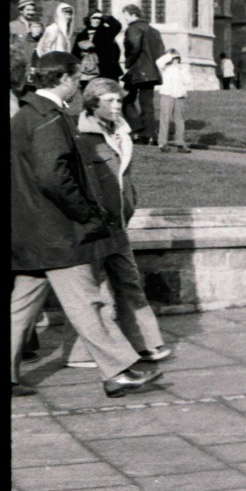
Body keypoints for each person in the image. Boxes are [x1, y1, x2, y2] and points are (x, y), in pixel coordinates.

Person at [11, 51, 162, 398]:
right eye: (77, 78)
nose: (79, 85)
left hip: (32, 231)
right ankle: (118, 370)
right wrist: (86, 214)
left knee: (20, 307)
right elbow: (54, 176)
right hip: (59, 232)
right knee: (87, 302)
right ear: (64, 79)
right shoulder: (48, 118)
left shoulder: (27, 115)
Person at [69, 79, 175, 368]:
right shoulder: (81, 137)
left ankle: (146, 344)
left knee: (128, 281)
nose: (117, 106)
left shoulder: (119, 133)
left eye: (119, 101)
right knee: (98, 290)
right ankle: (85, 353)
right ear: (93, 103)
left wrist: (130, 202)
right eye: (110, 101)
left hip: (117, 223)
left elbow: (123, 179)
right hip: (95, 226)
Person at [120, 3, 164, 144]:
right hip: (152, 72)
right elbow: (160, 52)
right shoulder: (154, 31)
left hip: (137, 70)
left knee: (126, 100)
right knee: (147, 104)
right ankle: (149, 135)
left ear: (133, 15)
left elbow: (135, 47)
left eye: (126, 15)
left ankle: (137, 129)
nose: (125, 19)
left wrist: (128, 62)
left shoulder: (133, 28)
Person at [155, 48, 191, 153]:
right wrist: (170, 55)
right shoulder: (165, 68)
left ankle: (180, 142)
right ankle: (162, 143)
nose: (175, 61)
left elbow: (188, 81)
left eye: (177, 58)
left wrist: (182, 70)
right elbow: (158, 62)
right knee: (165, 119)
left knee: (180, 120)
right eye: (173, 58)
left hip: (179, 96)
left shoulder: (182, 69)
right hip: (167, 94)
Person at [72, 9, 123, 81]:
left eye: (99, 18)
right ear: (89, 19)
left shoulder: (107, 32)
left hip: (105, 69)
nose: (97, 20)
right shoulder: (82, 34)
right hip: (88, 70)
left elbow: (117, 26)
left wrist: (107, 17)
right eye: (94, 18)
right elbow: (75, 52)